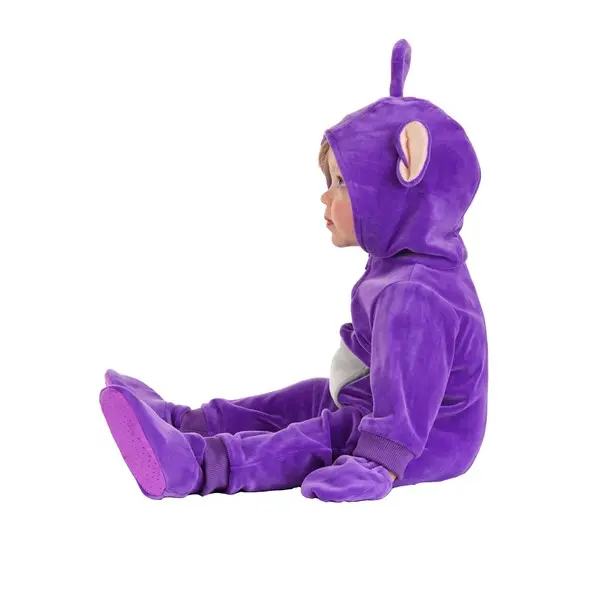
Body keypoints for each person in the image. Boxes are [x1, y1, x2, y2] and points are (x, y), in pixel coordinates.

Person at [99, 39, 488, 502]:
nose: (327, 196)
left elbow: (408, 403)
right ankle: (184, 422)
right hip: (371, 397)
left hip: (422, 439)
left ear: (400, 196)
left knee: (320, 436)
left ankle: (195, 465)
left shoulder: (415, 294)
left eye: (342, 183)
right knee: (299, 400)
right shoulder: (403, 260)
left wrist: (376, 463)